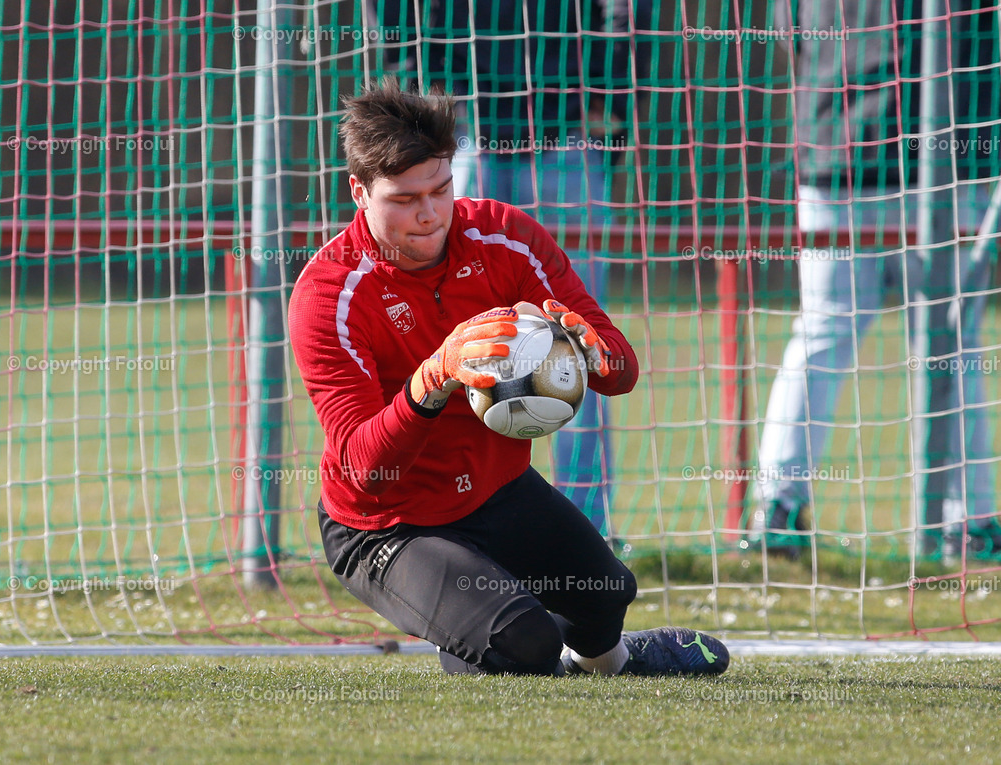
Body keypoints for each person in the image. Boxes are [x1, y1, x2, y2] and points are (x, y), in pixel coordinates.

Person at [289, 78, 729, 676]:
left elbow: (620, 373)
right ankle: (494, 628)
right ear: (359, 192)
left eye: (441, 189)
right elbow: (365, 472)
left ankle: (613, 662)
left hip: (496, 490)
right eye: (402, 198)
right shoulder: (327, 294)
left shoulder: (505, 237)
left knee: (605, 596)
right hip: (387, 524)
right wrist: (434, 377)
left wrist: (587, 350)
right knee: (523, 644)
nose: (427, 214)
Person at [749, 0, 1001, 560]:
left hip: (916, 163)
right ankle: (968, 521)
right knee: (920, 338)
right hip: (872, 160)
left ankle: (970, 520)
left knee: (925, 341)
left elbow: (789, 35)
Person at [370, 0, 629, 534]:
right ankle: (441, 516)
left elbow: (625, 12)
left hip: (566, 135)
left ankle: (585, 532)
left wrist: (612, 97)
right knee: (450, 345)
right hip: (461, 136)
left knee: (580, 345)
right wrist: (418, 87)